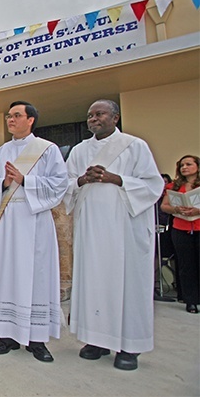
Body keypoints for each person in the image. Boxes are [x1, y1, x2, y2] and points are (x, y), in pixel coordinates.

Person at [64, 99, 163, 371]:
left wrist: (116, 179)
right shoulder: (80, 150)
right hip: (91, 228)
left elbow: (154, 185)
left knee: (127, 283)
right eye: (90, 115)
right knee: (94, 281)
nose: (93, 118)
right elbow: (66, 184)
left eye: (100, 114)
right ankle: (96, 340)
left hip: (124, 230)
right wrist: (83, 180)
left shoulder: (134, 146)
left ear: (115, 117)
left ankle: (129, 345)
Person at [0, 101, 67, 363]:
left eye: (17, 115)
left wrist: (25, 180)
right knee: (7, 272)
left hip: (35, 219)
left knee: (36, 274)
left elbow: (59, 183)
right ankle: (7, 335)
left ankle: (37, 339)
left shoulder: (47, 150)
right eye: (9, 116)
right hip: (8, 219)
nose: (11, 120)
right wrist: (4, 183)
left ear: (31, 120)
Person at [160, 155, 200, 313]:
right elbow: (164, 206)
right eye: (182, 165)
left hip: (198, 226)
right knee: (185, 264)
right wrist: (175, 209)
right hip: (180, 228)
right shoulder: (173, 186)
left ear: (197, 166)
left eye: (189, 164)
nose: (185, 167)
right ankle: (191, 300)